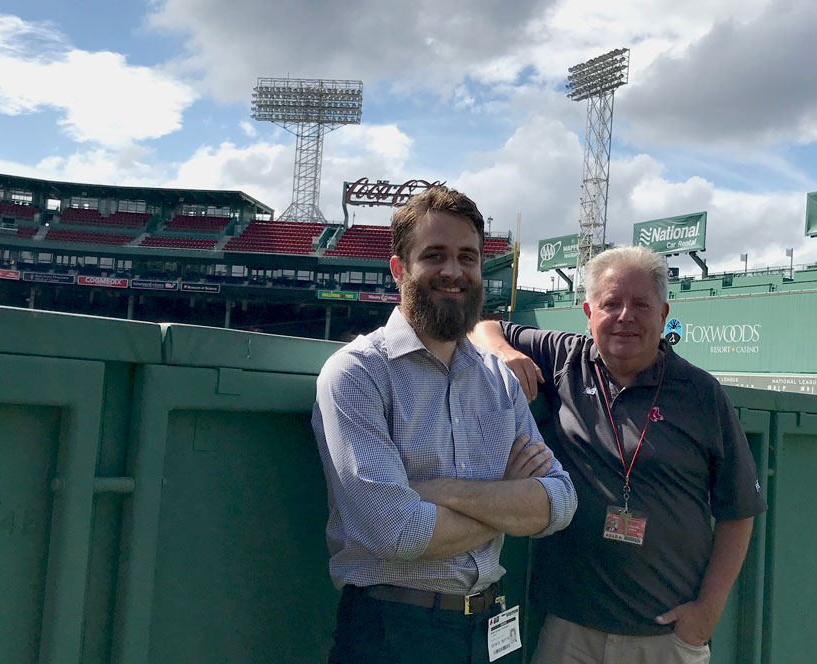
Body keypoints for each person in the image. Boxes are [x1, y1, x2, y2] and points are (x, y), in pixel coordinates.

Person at [312, 186, 576, 664]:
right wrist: (509, 497)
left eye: (467, 257)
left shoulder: (498, 379)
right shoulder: (357, 372)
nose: (453, 271)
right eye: (434, 255)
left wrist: (435, 492)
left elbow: (559, 503)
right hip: (392, 632)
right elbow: (400, 533)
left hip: (492, 630)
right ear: (399, 269)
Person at [470, 246, 766, 664]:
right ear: (589, 313)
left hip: (663, 636)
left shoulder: (701, 394)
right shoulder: (565, 358)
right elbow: (482, 326)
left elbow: (740, 510)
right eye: (612, 304)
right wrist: (504, 353)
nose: (625, 316)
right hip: (570, 629)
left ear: (663, 316)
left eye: (641, 304)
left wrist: (704, 616)